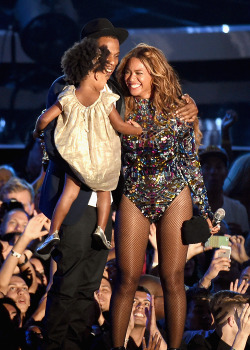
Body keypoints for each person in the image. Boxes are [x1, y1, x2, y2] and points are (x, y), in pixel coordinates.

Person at [39, 18, 199, 350]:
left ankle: (79, 341)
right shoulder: (69, 87)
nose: (116, 63)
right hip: (85, 197)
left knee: (93, 281)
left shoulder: (117, 93)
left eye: (117, 54)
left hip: (123, 197)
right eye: (108, 54)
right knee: (74, 278)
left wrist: (189, 108)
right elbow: (60, 140)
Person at [109, 43, 219, 350]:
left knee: (173, 279)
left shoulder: (179, 109)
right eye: (127, 72)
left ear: (155, 75)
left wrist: (205, 207)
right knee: (127, 277)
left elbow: (191, 162)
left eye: (139, 73)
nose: (131, 78)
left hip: (174, 194)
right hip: (134, 193)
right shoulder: (117, 106)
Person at [34, 37, 142, 254]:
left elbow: (45, 119)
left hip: (77, 159)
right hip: (102, 159)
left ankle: (53, 231)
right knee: (105, 193)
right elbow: (120, 125)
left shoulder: (67, 97)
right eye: (104, 74)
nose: (107, 79)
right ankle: (102, 229)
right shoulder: (105, 99)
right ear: (94, 73)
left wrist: (37, 130)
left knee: (68, 193)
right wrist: (137, 129)